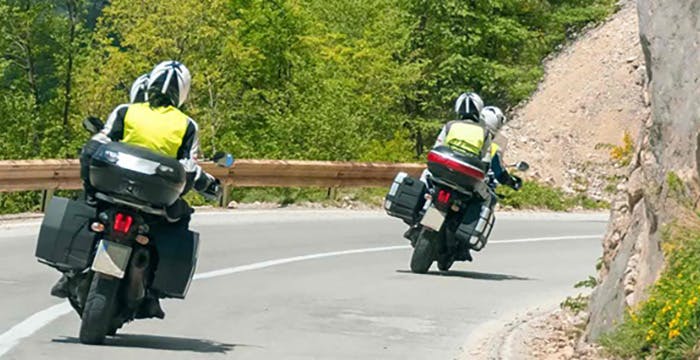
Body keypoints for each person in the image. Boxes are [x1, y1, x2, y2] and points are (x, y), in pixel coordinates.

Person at [52, 61, 220, 319]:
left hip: (113, 188)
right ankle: (153, 293)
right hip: (155, 199)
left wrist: (89, 185)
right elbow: (188, 167)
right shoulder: (187, 125)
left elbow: (95, 145)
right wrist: (208, 185)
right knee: (179, 219)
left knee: (86, 208)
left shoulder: (126, 111)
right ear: (183, 92)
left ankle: (70, 272)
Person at [405, 93, 520, 242]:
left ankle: (422, 208)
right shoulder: (487, 137)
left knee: (426, 175)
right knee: (485, 200)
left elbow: (437, 147)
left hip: (444, 168)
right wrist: (509, 181)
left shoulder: (451, 125)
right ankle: (464, 231)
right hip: (468, 177)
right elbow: (488, 164)